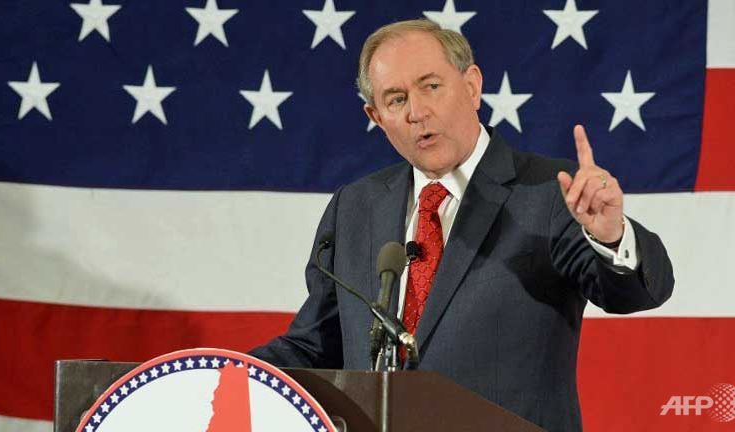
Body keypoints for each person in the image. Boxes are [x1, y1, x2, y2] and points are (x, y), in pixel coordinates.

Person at [251, 19, 673, 431]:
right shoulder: (355, 206)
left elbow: (633, 292)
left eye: (431, 86)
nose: (417, 111)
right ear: (376, 117)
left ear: (471, 86)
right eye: (395, 99)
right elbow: (317, 345)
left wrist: (610, 236)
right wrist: (223, 375)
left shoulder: (547, 193)